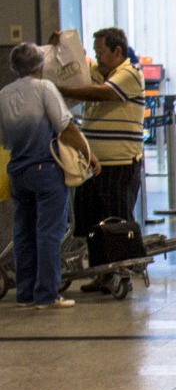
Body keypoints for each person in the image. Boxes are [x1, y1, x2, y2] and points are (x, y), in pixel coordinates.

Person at [0, 43, 99, 308]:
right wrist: (88, 154)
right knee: (49, 233)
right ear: (40, 65)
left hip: (17, 170)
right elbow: (65, 127)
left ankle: (25, 293)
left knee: (23, 233)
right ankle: (47, 295)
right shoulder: (45, 88)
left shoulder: (4, 94)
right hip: (45, 169)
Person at [54, 28, 145, 266]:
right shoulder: (96, 71)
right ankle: (101, 272)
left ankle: (121, 271)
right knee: (91, 224)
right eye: (96, 52)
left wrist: (61, 91)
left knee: (116, 221)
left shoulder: (130, 73)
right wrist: (59, 45)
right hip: (91, 163)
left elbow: (103, 94)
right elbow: (74, 63)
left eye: (101, 52)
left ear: (117, 51)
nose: (98, 57)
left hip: (120, 164)